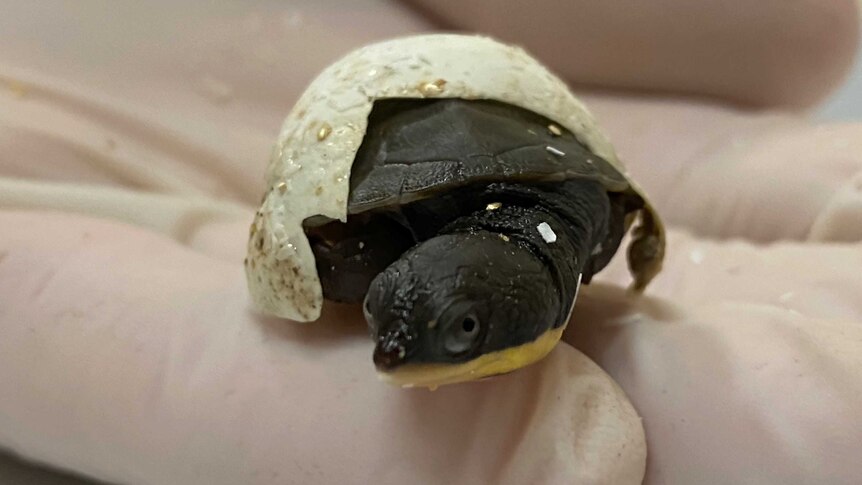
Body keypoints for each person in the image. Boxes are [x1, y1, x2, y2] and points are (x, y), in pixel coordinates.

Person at [1, 1, 860, 483]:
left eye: (459, 332)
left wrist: (640, 243)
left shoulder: (577, 205)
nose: (390, 361)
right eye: (388, 325)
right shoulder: (426, 245)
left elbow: (613, 198)